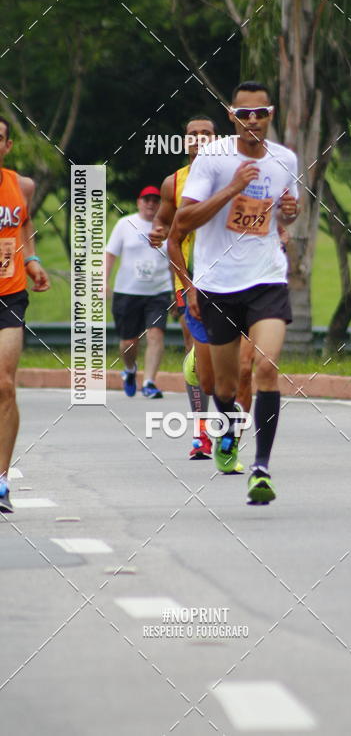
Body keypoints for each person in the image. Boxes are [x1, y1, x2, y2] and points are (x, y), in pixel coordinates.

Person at [168, 80, 299, 504]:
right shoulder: (212, 159)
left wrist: (290, 214)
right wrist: (230, 188)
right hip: (217, 285)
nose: (253, 121)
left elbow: (282, 214)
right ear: (232, 116)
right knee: (222, 388)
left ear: (271, 115)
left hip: (266, 279)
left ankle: (261, 467)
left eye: (260, 113)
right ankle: (226, 431)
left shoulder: (285, 160)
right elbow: (184, 222)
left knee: (263, 370)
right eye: (244, 114)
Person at [149, 114, 255, 461]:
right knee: (203, 366)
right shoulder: (174, 183)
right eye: (192, 134)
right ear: (184, 141)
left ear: (217, 138)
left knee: (239, 365)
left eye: (206, 133)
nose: (198, 139)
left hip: (238, 280)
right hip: (191, 282)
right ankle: (200, 434)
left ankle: (229, 434)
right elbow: (164, 225)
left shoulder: (235, 177)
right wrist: (157, 232)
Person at [0, 117, 50, 512]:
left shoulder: (21, 185)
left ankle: (1, 478)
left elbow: (25, 221)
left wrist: (31, 258)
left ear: (7, 145)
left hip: (9, 294)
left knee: (5, 386)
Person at [105, 185, 172, 398]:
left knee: (155, 334)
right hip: (128, 291)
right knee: (128, 342)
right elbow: (110, 254)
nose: (151, 204)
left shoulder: (168, 228)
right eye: (147, 200)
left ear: (160, 204)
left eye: (155, 200)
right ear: (139, 202)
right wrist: (103, 281)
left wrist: (178, 290)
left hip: (159, 291)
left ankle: (150, 382)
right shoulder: (125, 224)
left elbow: (174, 260)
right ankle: (130, 369)